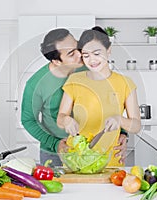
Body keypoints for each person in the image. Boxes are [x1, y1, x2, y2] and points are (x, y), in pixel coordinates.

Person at [21, 28, 128, 166]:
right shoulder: (36, 84)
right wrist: (55, 144)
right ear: (57, 61)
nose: (80, 54)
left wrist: (123, 133)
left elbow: (114, 100)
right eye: (71, 53)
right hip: (56, 152)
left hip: (94, 147)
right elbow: (28, 120)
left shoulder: (89, 68)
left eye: (77, 46)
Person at [57, 26, 141, 167]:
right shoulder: (74, 80)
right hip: (76, 159)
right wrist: (66, 120)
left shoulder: (125, 83)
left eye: (97, 53)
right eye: (86, 55)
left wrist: (119, 120)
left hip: (110, 161)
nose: (92, 60)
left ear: (108, 50)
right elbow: (60, 117)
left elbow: (136, 125)